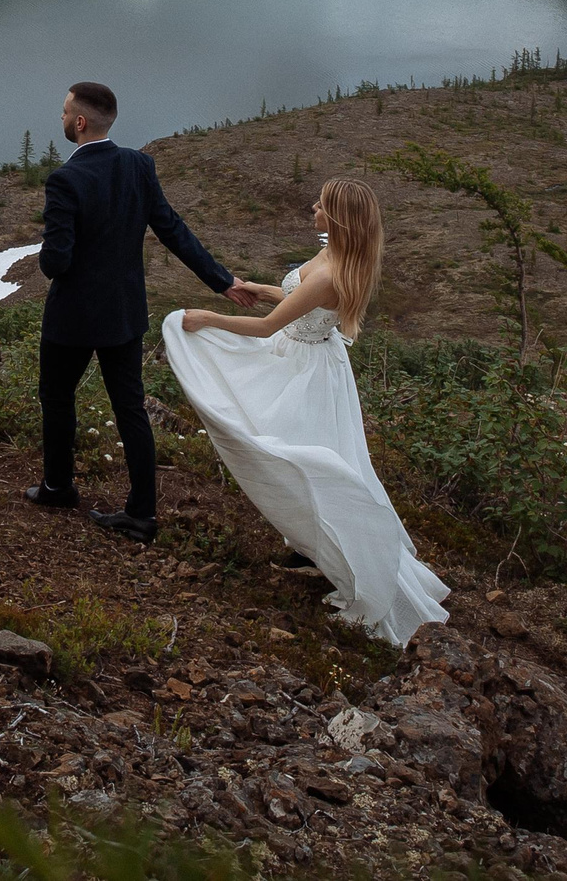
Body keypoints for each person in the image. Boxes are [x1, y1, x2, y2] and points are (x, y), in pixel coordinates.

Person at [161, 177, 450, 646]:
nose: (312, 207)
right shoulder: (334, 255)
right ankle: (308, 545)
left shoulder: (330, 273)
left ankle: (336, 548)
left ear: (336, 217)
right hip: (303, 357)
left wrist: (206, 319)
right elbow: (295, 303)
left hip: (303, 369)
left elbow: (267, 327)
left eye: (321, 204)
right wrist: (254, 286)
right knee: (300, 454)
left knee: (295, 455)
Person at [29, 80, 259, 543]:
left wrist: (49, 250)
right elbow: (172, 229)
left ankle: (58, 486)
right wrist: (222, 281)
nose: (59, 118)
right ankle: (141, 514)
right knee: (129, 408)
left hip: (72, 317)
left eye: (63, 111)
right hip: (123, 314)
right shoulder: (138, 165)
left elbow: (56, 262)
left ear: (79, 122)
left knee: (57, 397)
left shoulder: (65, 179)